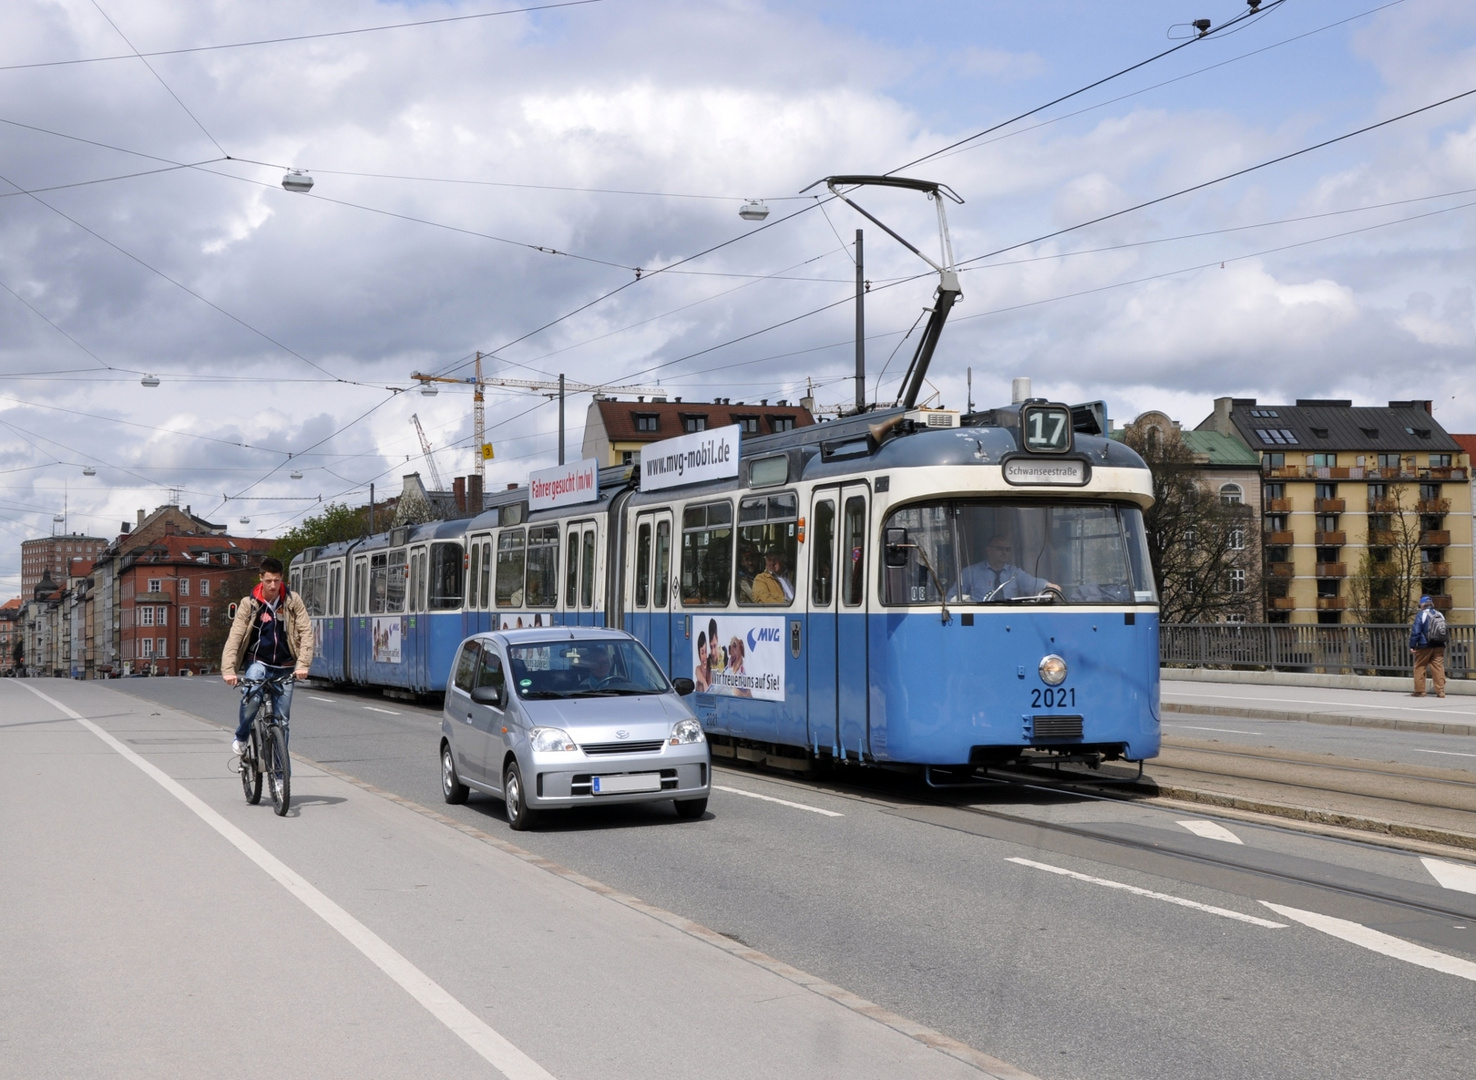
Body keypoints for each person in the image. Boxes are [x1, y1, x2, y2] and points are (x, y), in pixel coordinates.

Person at [222, 558, 313, 754]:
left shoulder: (292, 601)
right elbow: (236, 636)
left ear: (283, 580)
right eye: (269, 580)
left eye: (277, 580)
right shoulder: (249, 603)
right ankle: (242, 735)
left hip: (285, 665)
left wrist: (302, 665)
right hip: (258, 661)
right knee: (252, 697)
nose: (273, 585)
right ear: (261, 578)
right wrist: (229, 670)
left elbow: (306, 631)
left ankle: (280, 777)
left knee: (283, 723)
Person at [954, 535, 1055, 602]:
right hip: (980, 618)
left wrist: (1048, 585)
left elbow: (1032, 584)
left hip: (1008, 618)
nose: (1004, 552)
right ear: (988, 550)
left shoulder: (1014, 573)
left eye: (1007, 549)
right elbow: (952, 598)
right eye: (999, 548)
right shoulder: (970, 572)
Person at [1409, 594, 1447, 698]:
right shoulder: (1440, 614)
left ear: (1422, 605)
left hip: (1424, 645)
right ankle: (1441, 691)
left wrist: (1412, 645)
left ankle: (1420, 691)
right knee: (1438, 667)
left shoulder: (1421, 615)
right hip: (1439, 644)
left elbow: (1416, 631)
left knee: (1420, 666)